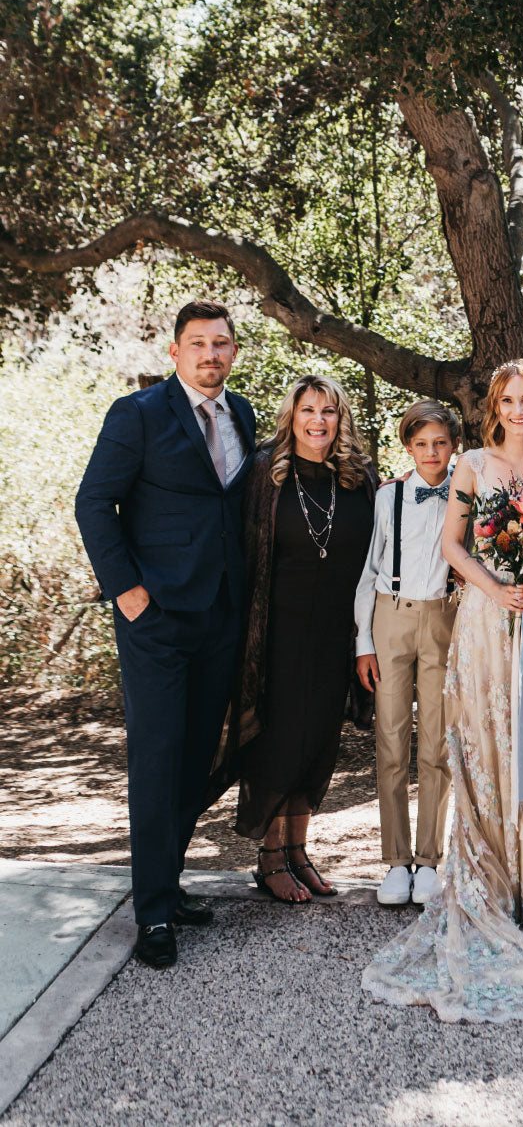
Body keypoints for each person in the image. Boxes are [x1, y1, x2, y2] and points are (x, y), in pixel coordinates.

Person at [362, 360, 523, 1022]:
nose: (517, 409)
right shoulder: (471, 464)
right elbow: (453, 545)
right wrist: (498, 587)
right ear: (494, 408)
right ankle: (491, 881)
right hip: (486, 615)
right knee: (486, 740)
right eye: (507, 400)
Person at [75, 300, 255, 968]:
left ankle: (168, 883)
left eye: (221, 344)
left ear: (234, 352)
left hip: (219, 614)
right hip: (154, 619)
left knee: (195, 759)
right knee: (156, 760)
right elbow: (94, 500)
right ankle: (151, 912)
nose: (211, 355)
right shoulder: (139, 413)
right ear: (175, 352)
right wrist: (128, 594)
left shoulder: (242, 414)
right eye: (198, 344)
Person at [209, 375, 376, 903]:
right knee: (279, 742)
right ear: (292, 415)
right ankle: (270, 858)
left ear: (340, 418)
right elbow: (238, 546)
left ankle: (300, 851)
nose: (318, 421)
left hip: (336, 632)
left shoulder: (359, 479)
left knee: (319, 742)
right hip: (276, 631)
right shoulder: (265, 472)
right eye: (308, 410)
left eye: (328, 411)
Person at [354, 400, 461, 908]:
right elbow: (369, 570)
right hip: (390, 617)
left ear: (454, 446)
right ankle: (396, 860)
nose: (431, 452)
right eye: (421, 444)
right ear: (408, 448)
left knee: (437, 744)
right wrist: (363, 643)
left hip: (444, 618)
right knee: (392, 741)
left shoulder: (468, 495)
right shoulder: (388, 497)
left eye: (440, 442)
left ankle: (429, 859)